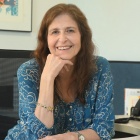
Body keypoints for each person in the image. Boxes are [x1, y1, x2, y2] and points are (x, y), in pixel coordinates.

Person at [5, 3, 115, 140]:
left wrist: (71, 137)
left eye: (70, 30)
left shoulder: (99, 67)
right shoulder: (28, 71)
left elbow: (104, 128)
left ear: (82, 35)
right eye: (55, 32)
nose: (62, 39)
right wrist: (47, 78)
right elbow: (38, 133)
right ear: (46, 39)